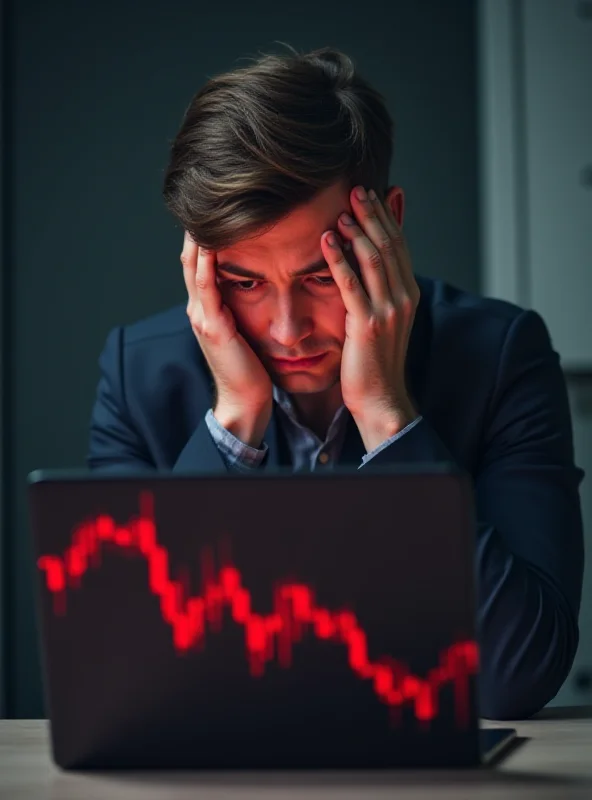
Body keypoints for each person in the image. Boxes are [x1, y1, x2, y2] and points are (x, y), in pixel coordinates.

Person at [87, 45, 585, 721]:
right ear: (198, 265)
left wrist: (387, 416)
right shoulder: (138, 375)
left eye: (322, 275)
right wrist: (233, 420)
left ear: (390, 226)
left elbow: (515, 677)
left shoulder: (501, 357)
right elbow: (123, 679)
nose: (287, 329)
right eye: (245, 282)